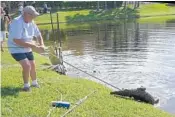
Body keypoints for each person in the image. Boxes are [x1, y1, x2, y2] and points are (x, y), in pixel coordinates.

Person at [8, 6, 45, 91]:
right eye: (32, 15)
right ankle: (26, 86)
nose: (33, 17)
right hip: (16, 48)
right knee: (27, 65)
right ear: (25, 14)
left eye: (34, 15)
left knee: (32, 65)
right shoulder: (17, 22)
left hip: (27, 47)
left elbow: (38, 35)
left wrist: (41, 45)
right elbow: (17, 40)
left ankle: (35, 83)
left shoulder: (31, 21)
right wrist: (34, 46)